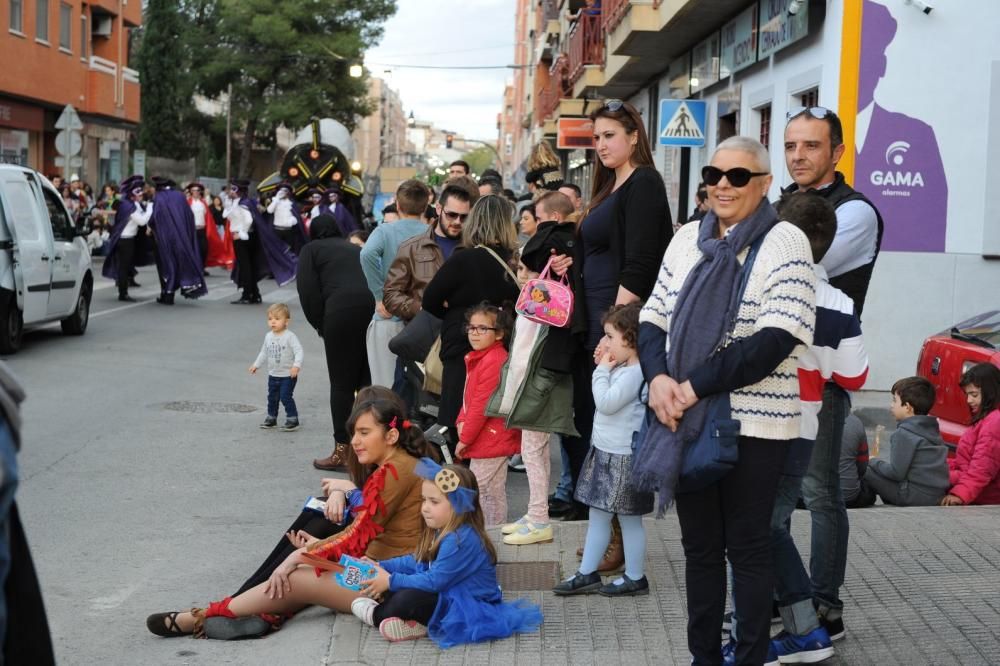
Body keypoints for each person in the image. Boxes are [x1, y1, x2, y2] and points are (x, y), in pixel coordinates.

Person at [637, 136, 816, 664]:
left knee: (749, 547)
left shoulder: (786, 241)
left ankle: (751, 656)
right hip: (684, 420)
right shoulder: (686, 238)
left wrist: (690, 386)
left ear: (762, 186)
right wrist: (658, 380)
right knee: (700, 551)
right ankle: (704, 657)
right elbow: (653, 315)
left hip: (755, 425)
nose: (722, 184)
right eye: (714, 174)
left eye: (738, 176)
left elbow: (774, 340)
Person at [146, 395, 434, 640]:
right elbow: (361, 532)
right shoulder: (404, 464)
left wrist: (297, 557)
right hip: (382, 571)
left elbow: (357, 533)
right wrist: (315, 550)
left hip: (384, 582)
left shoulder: (392, 472)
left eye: (364, 432)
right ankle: (260, 613)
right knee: (306, 567)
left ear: (392, 435)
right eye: (354, 433)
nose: (355, 441)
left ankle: (200, 617)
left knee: (295, 576)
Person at [550, 100, 672, 533]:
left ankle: (619, 538)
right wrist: (573, 265)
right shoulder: (610, 186)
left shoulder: (644, 183)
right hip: (598, 326)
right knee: (594, 429)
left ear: (634, 136)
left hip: (617, 331)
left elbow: (640, 262)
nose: (601, 145)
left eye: (609, 136)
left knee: (613, 435)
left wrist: (616, 333)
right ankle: (607, 535)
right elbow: (601, 251)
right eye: (596, 137)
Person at [757, 191, 868, 664]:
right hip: (813, 416)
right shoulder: (839, 302)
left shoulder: (762, 285)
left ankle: (785, 613)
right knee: (809, 506)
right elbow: (855, 374)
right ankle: (818, 610)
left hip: (765, 417)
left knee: (766, 518)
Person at [349, 460, 542, 646]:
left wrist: (390, 581)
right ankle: (415, 624)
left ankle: (377, 616)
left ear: (458, 506)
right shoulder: (442, 529)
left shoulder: (460, 539)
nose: (425, 507)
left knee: (405, 598)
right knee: (400, 586)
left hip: (467, 607)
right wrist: (382, 565)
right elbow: (416, 561)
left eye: (434, 501)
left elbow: (435, 581)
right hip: (446, 593)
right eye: (424, 500)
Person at [490, 190, 580, 545]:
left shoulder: (560, 242)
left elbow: (530, 251)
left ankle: (539, 517)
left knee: (534, 440)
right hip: (539, 353)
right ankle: (535, 512)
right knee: (533, 443)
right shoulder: (564, 250)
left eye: (538, 220)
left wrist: (557, 225)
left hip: (544, 357)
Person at [554, 302, 651, 597]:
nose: (605, 343)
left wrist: (600, 371)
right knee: (599, 515)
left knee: (629, 519)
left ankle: (635, 576)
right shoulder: (624, 367)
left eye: (610, 336)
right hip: (607, 451)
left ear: (631, 339)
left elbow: (606, 403)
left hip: (623, 456)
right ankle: (587, 573)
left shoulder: (634, 373)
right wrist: (608, 367)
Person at [421, 195, 521, 444]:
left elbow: (430, 299)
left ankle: (455, 468)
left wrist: (455, 316)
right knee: (485, 405)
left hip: (460, 338)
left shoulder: (463, 259)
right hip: (499, 340)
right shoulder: (516, 262)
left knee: (455, 405)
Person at [383, 180, 477, 415]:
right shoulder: (412, 248)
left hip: (462, 344)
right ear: (438, 209)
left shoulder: (475, 250)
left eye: (464, 217)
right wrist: (425, 308)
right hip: (419, 342)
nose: (457, 222)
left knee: (453, 413)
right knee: (403, 412)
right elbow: (391, 295)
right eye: (452, 214)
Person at [783, 107, 882, 318]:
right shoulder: (777, 204)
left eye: (811, 146)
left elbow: (791, 269)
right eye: (790, 147)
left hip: (827, 347)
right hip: (773, 343)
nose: (797, 156)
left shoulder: (856, 211)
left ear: (837, 153)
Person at [297, 215, 376, 471]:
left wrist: (321, 324)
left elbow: (307, 291)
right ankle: (371, 450)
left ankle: (342, 451)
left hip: (340, 314)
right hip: (370, 310)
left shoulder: (311, 250)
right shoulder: (354, 248)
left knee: (341, 385)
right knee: (366, 382)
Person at [360, 180, 432, 389]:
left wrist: (379, 295)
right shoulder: (432, 233)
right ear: (425, 206)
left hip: (389, 315)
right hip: (424, 319)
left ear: (398, 206)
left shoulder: (385, 231)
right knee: (421, 387)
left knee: (384, 386)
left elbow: (367, 254)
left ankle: (387, 422)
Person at [454, 303, 521, 526]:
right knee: (492, 490)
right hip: (490, 435)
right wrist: (461, 420)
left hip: (491, 436)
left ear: (500, 334)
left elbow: (480, 406)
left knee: (478, 489)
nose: (474, 333)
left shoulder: (493, 361)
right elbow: (469, 399)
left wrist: (464, 439)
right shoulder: (482, 357)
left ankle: (482, 532)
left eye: (483, 328)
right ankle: (494, 530)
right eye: (471, 328)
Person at [855, 377, 950, 507]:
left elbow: (896, 473)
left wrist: (872, 460)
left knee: (865, 470)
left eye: (895, 400)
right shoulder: (931, 429)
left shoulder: (904, 433)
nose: (891, 405)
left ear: (907, 407)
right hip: (935, 495)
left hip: (912, 496)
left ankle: (862, 502)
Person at [225, 179, 297, 305]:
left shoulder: (243, 203)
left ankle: (247, 295)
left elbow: (248, 220)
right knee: (250, 266)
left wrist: (242, 232)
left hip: (242, 238)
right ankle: (255, 294)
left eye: (233, 189)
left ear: (239, 191)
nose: (231, 191)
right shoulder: (243, 202)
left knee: (245, 267)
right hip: (248, 237)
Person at [941, 363, 1000, 506]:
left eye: (974, 395)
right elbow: (966, 461)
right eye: (967, 395)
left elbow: (982, 468)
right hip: (972, 484)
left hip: (984, 495)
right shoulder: (986, 418)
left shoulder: (995, 421)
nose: (969, 400)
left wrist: (960, 495)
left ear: (991, 392)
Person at [148, 177, 208, 305]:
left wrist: (151, 226)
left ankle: (167, 293)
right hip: (180, 236)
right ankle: (171, 292)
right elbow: (189, 215)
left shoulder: (159, 198)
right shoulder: (180, 197)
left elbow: (155, 217)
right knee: (176, 262)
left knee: (165, 264)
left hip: (164, 237)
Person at [250, 303, 305, 432]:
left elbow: (299, 351)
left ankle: (292, 418)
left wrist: (296, 366)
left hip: (288, 375)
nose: (273, 322)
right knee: (272, 397)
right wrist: (256, 365)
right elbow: (264, 352)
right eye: (270, 319)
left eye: (277, 319)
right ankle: (271, 417)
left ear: (286, 321)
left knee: (285, 396)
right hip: (273, 374)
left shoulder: (290, 336)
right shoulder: (268, 336)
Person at [102, 175, 154, 302]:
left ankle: (123, 291)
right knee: (124, 267)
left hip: (126, 239)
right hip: (126, 240)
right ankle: (123, 293)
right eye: (138, 193)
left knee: (124, 266)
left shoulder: (130, 203)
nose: (141, 195)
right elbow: (142, 221)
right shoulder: (129, 206)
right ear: (133, 194)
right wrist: (150, 208)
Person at [840, 414, 871, 508]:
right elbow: (862, 466)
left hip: (806, 497)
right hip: (848, 497)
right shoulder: (855, 422)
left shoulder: (804, 418)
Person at [266, 183, 306, 254]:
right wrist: (277, 199)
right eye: (281, 190)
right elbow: (269, 211)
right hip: (277, 230)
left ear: (288, 193)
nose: (282, 192)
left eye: (285, 191)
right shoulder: (275, 201)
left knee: (288, 251)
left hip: (289, 231)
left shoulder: (292, 203)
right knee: (277, 250)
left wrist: (293, 221)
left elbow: (297, 216)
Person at [187, 182, 211, 273]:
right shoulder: (188, 202)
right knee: (193, 249)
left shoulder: (203, 203)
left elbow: (208, 216)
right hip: (192, 230)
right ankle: (195, 268)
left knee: (204, 249)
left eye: (197, 190)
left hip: (202, 229)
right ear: (191, 192)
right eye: (193, 190)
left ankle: (202, 267)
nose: (196, 192)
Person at [207, 195, 235, 271]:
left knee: (223, 243)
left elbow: (225, 218)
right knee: (216, 242)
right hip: (214, 227)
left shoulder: (223, 208)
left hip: (222, 227)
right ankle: (218, 259)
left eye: (218, 200)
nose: (217, 202)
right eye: (215, 200)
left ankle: (224, 259)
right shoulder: (211, 208)